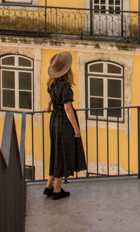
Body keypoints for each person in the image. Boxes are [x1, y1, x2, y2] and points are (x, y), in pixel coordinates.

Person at [44, 51, 86, 200]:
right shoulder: (65, 86)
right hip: (63, 122)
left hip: (53, 120)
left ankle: (49, 185)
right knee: (61, 154)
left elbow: (51, 98)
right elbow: (68, 109)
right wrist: (76, 128)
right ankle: (57, 189)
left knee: (55, 152)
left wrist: (48, 106)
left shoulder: (52, 84)